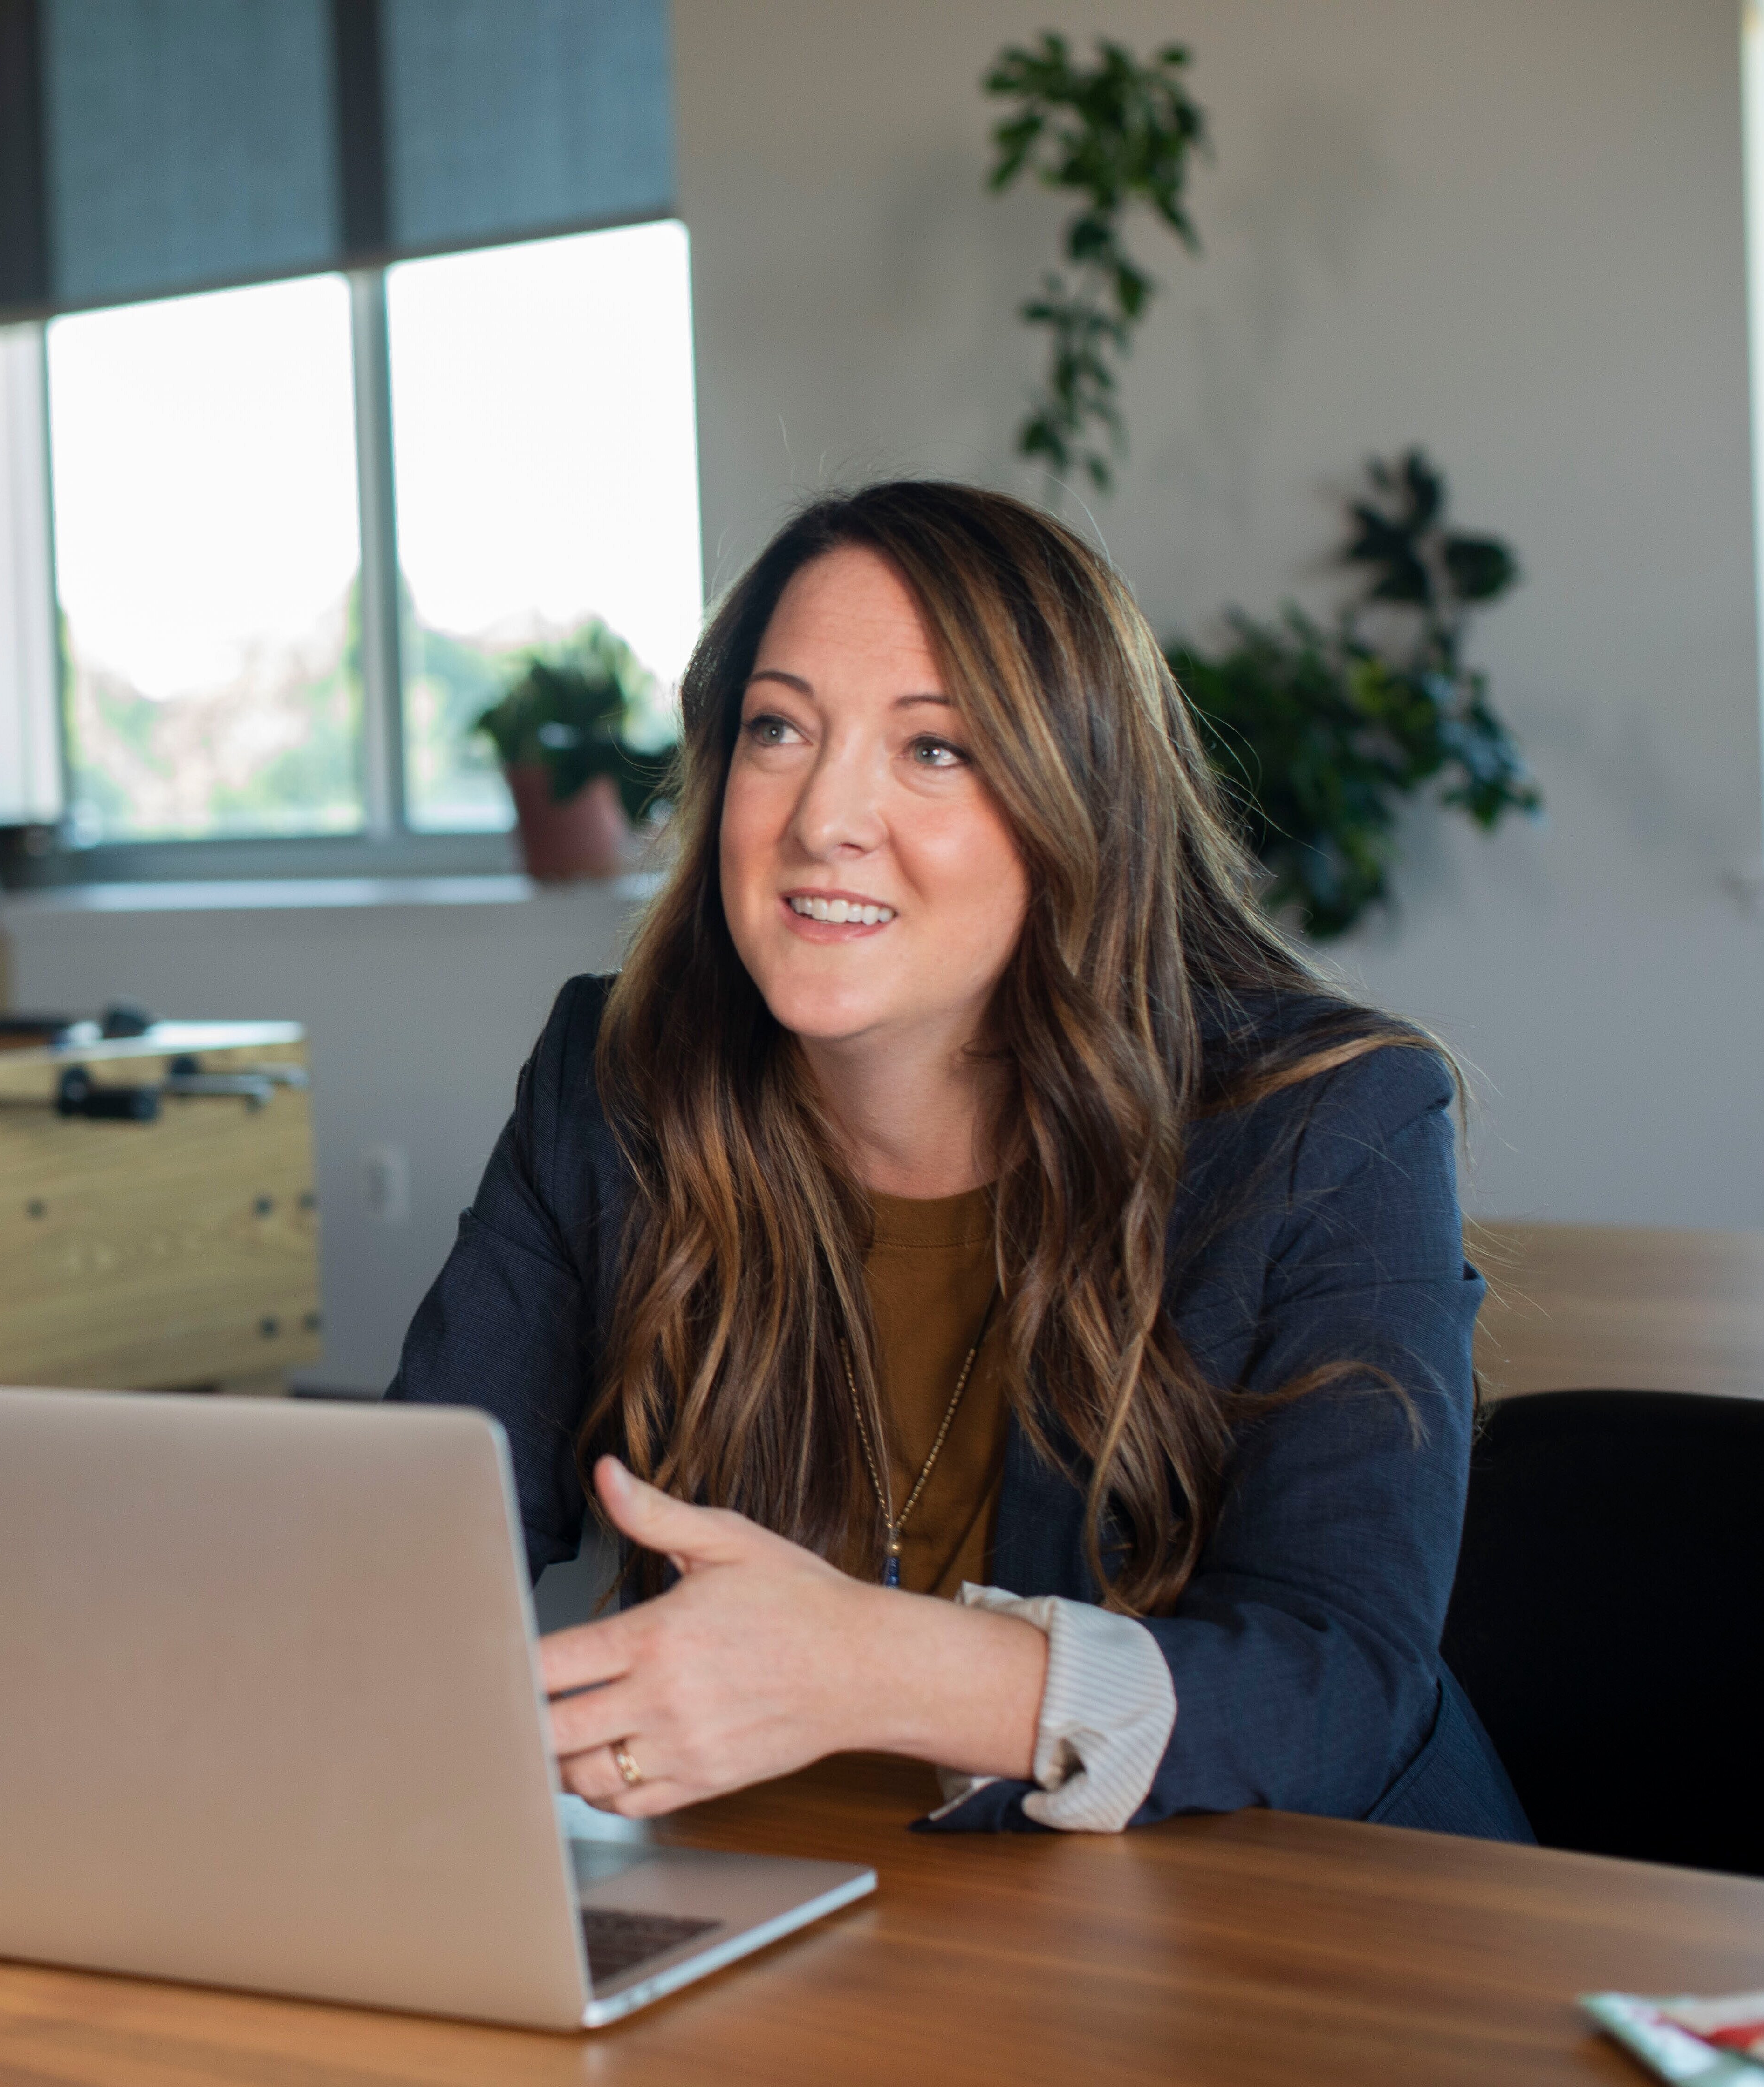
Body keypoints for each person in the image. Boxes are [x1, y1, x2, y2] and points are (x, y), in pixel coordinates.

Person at [387, 481, 1530, 1839]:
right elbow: (416, 1541)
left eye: (936, 751)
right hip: (795, 1921)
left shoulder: (1327, 1125)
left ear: (1081, 803)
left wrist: (870, 1671)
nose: (824, 818)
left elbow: (1342, 1692)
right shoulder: (615, 1077)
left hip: (1269, 1940)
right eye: (778, 730)